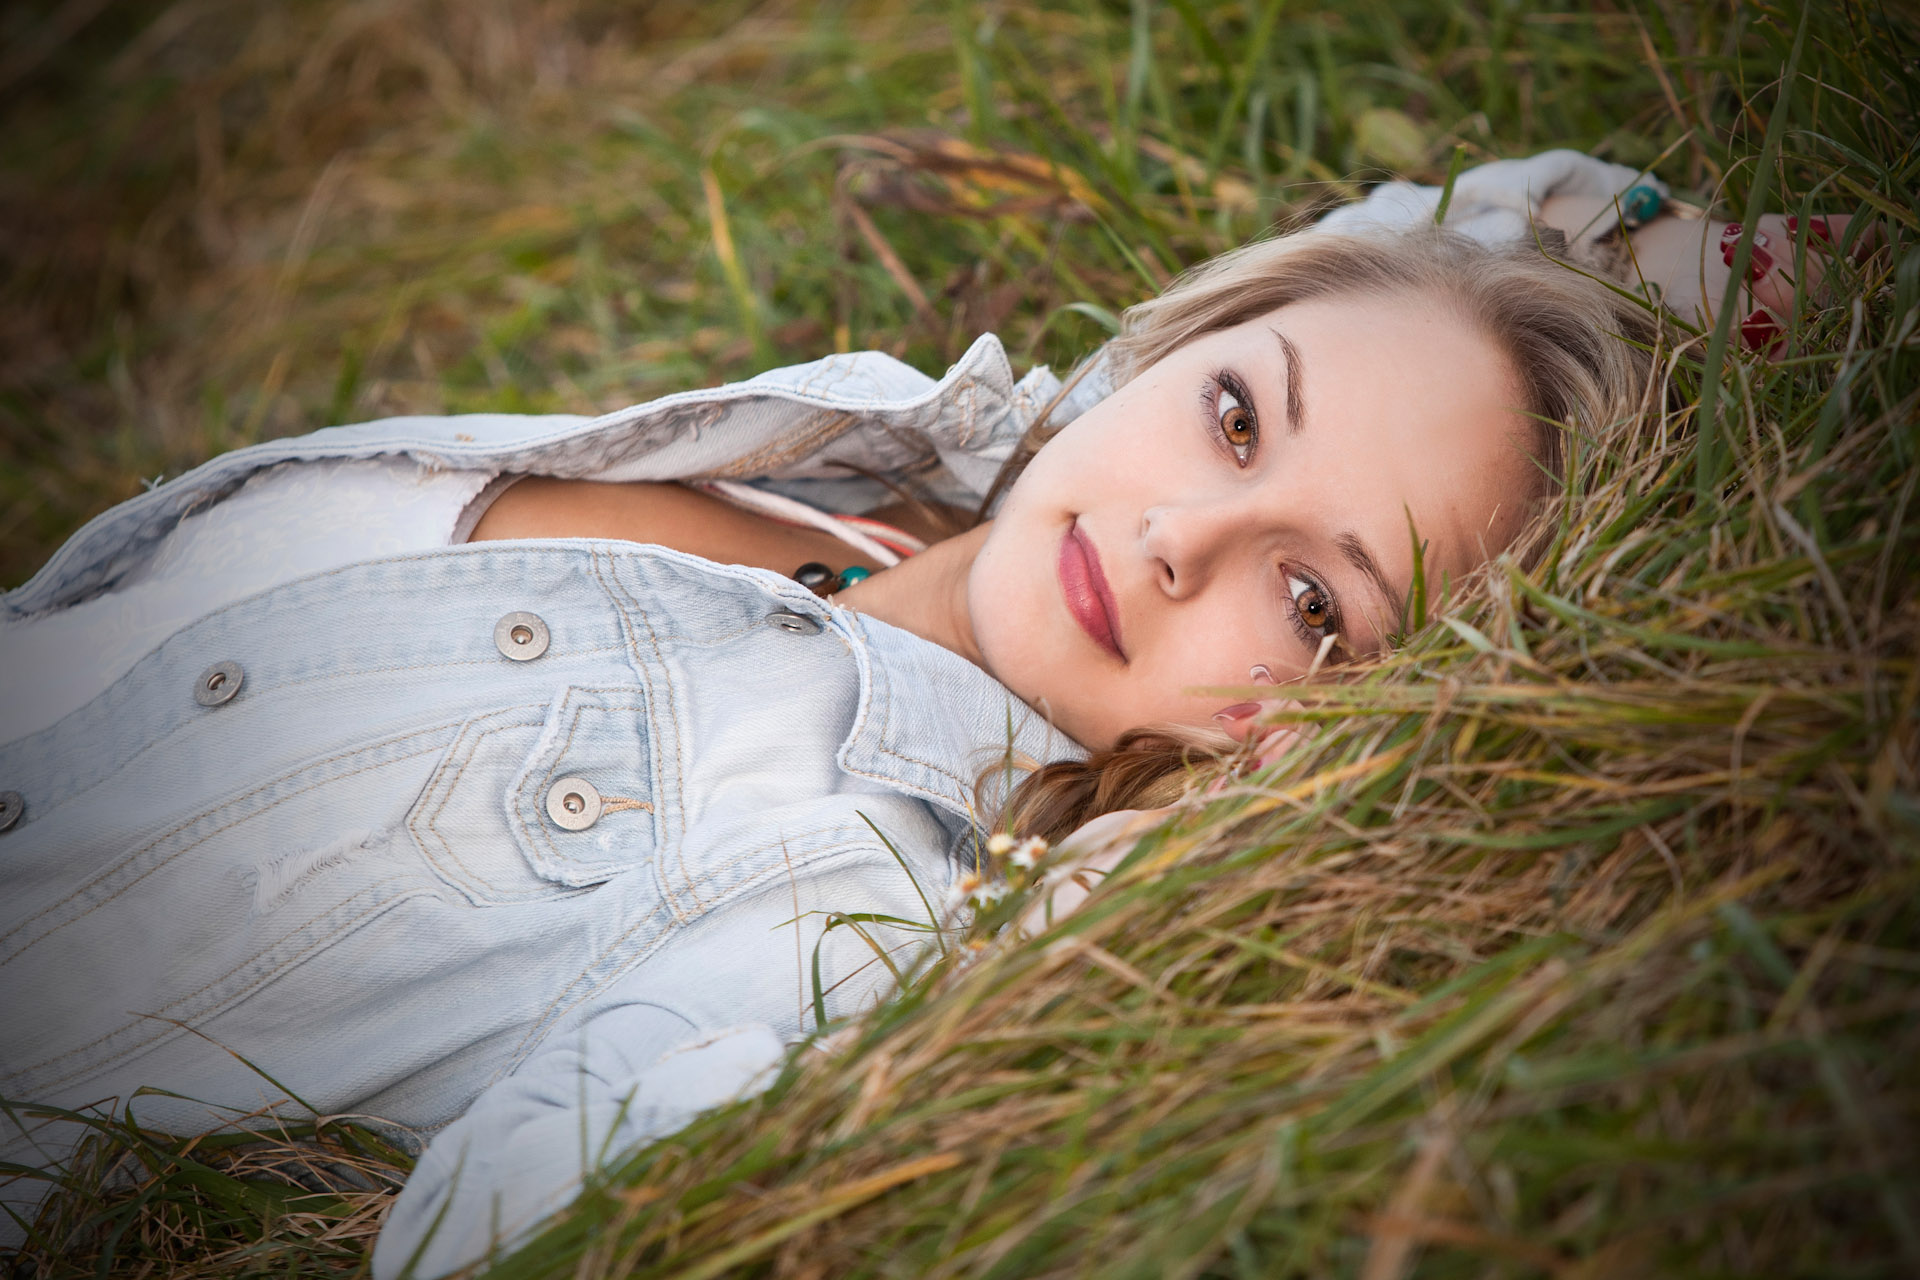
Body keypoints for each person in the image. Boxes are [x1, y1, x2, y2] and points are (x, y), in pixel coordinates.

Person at [0, 150, 1850, 1277]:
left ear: (1325, 735)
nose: (1176, 535)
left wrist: (1093, 891)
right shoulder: (943, 478)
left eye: (1311, 599)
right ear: (1179, 349)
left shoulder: (851, 882)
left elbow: (521, 1219)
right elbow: (1439, 259)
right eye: (1230, 413)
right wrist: (1722, 272)